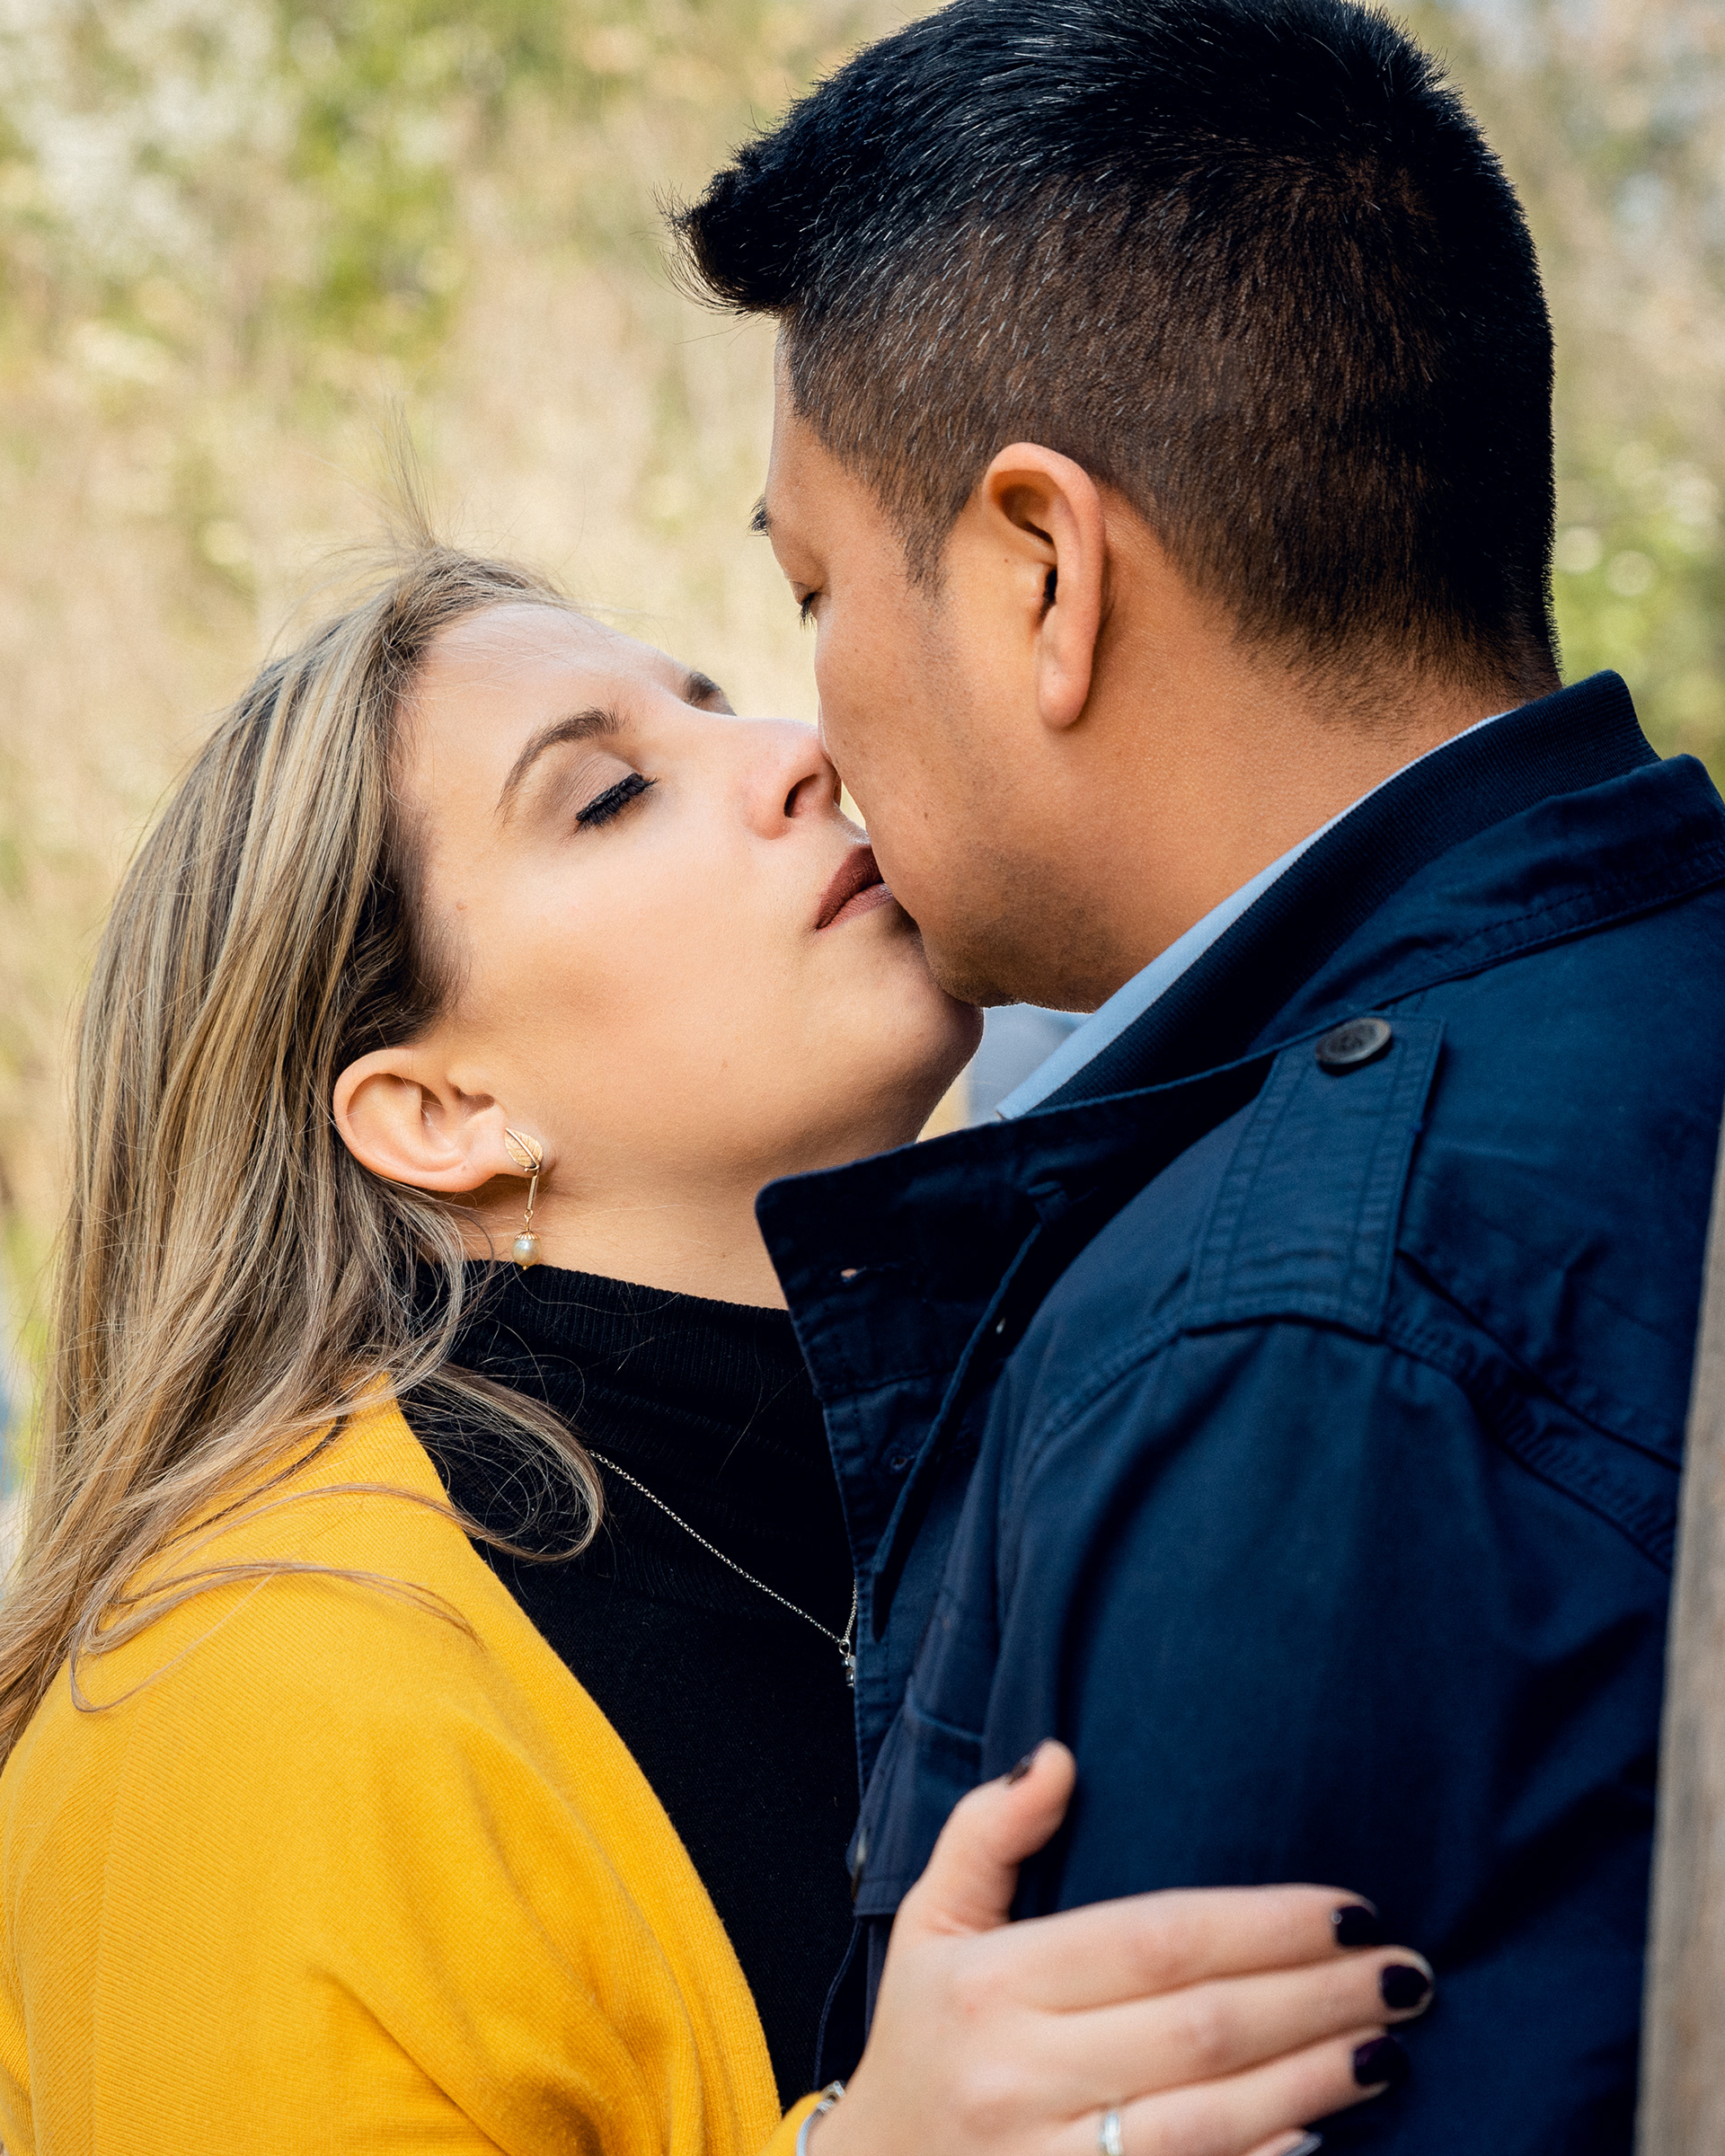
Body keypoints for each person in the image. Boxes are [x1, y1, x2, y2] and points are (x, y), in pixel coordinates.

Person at [0, 541, 1431, 2153]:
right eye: (611, 794)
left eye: (722, 704)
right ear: (439, 1112)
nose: (794, 752)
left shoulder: (1010, 1454)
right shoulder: (252, 1696)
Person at [674, 0, 1725, 2146]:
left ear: (1042, 574)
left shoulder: (1287, 1328)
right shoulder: (1641, 995)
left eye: (810, 593)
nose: (814, 725)